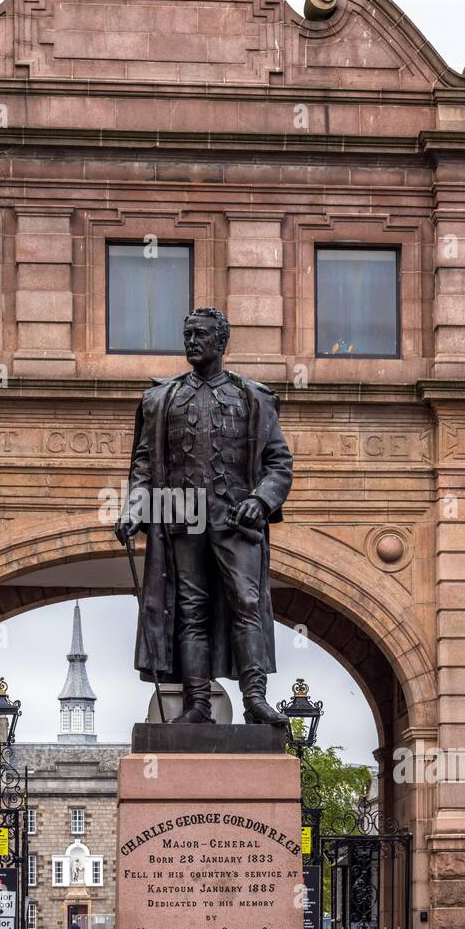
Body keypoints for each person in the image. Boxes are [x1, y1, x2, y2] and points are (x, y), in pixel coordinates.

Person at [116, 306, 293, 724]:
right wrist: (134, 509)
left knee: (246, 601)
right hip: (181, 513)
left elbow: (278, 463)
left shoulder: (253, 397)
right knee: (189, 609)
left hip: (236, 515)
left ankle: (254, 699)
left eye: (201, 335)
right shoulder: (162, 399)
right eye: (187, 334)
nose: (192, 342)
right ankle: (198, 704)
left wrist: (262, 501)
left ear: (221, 342)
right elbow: (143, 466)